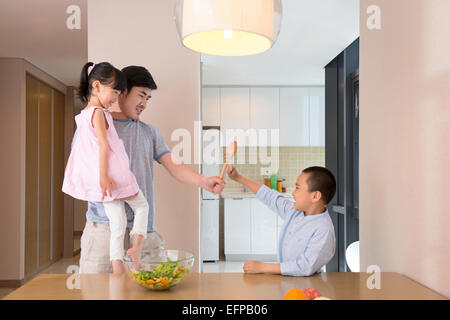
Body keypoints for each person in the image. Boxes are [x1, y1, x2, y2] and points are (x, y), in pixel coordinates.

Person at [76, 65, 226, 274]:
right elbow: (81, 166)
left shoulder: (149, 133)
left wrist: (204, 182)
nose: (144, 104)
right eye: (141, 96)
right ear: (122, 91)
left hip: (143, 233)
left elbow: (174, 166)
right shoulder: (94, 124)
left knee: (150, 293)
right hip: (103, 230)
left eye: (148, 99)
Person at [63, 62, 149, 274]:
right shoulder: (99, 113)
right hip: (115, 176)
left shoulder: (82, 116)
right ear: (97, 86)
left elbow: (85, 152)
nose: (116, 97)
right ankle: (136, 247)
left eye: (120, 92)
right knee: (141, 206)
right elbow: (103, 145)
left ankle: (117, 263)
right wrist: (103, 177)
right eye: (114, 91)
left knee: (117, 224)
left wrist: (97, 179)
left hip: (103, 182)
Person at [226, 165, 336, 276]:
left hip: (306, 286)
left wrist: (263, 267)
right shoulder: (294, 212)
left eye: (297, 188)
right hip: (286, 281)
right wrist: (238, 178)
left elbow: (305, 267)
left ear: (315, 196)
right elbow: (269, 196)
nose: (293, 193)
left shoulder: (323, 229)